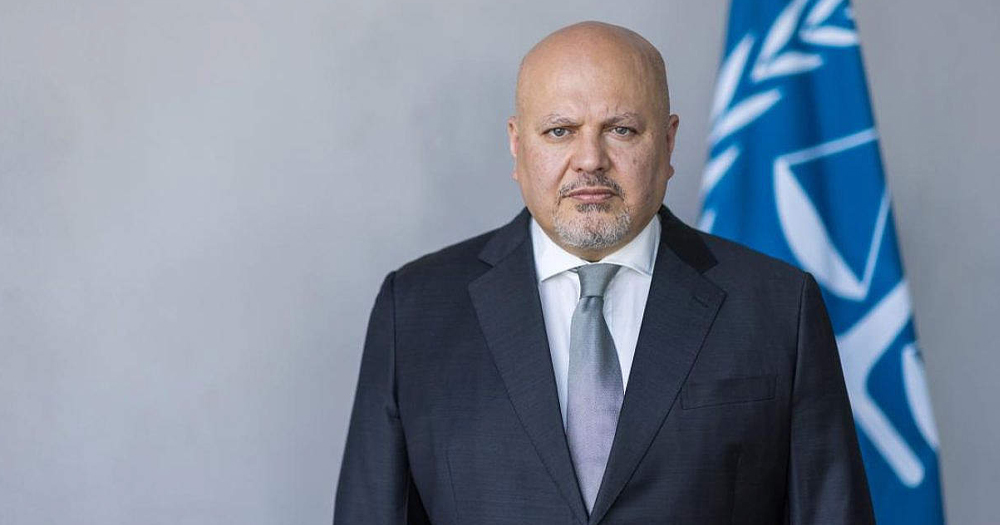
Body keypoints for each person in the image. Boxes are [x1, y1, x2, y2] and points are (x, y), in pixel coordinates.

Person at [334, 21, 875, 525]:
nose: (589, 159)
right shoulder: (415, 309)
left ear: (667, 143)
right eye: (560, 131)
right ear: (517, 145)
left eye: (620, 129)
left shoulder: (778, 306)